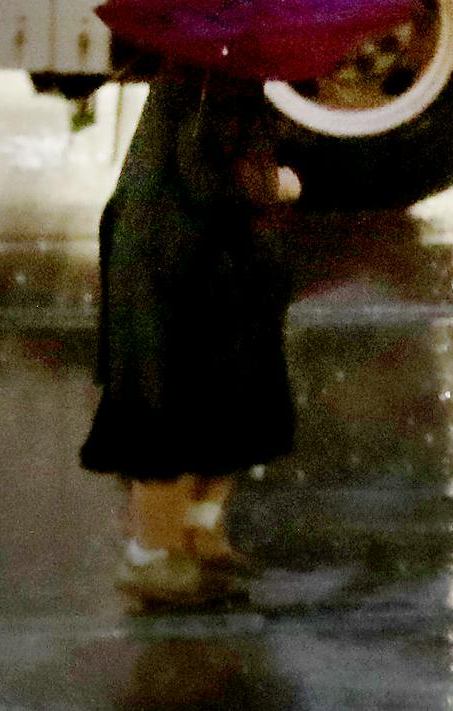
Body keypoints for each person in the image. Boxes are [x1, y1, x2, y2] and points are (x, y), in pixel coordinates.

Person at [80, 70, 301, 609]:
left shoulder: (214, 76)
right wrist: (278, 185)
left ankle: (198, 535)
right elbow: (207, 177)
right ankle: (155, 553)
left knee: (220, 411)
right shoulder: (214, 81)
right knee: (172, 419)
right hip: (179, 270)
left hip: (200, 267)